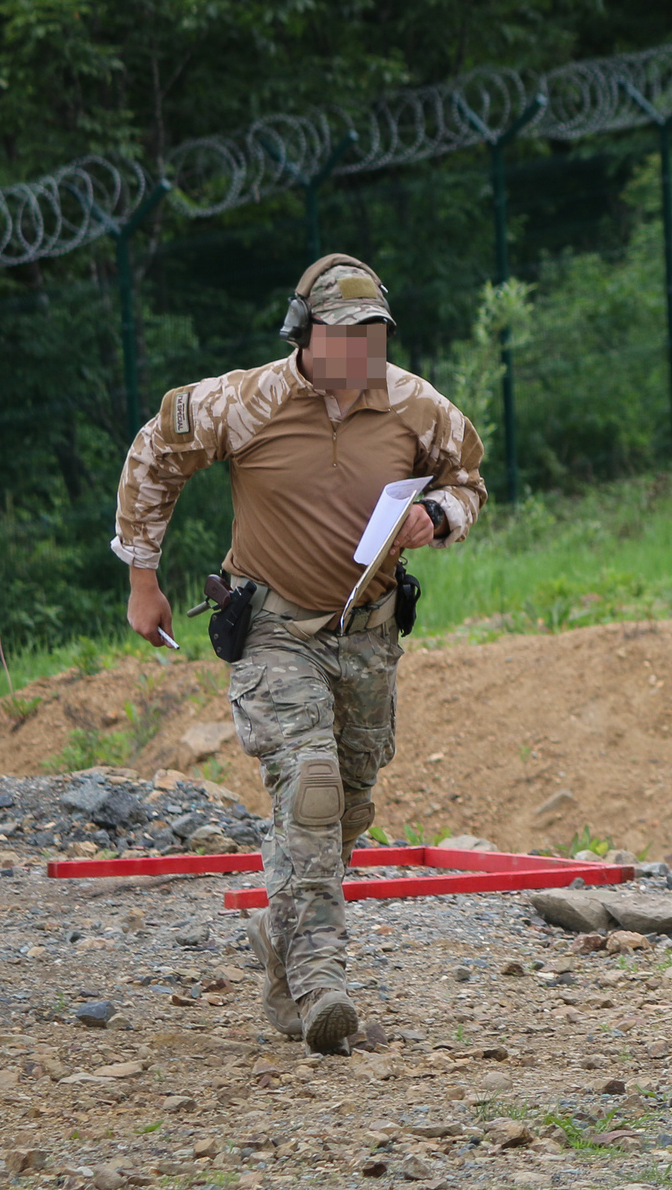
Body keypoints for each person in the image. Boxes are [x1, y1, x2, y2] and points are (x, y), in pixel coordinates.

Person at [112, 254, 487, 1053]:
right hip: (275, 628)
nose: (361, 349)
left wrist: (439, 515)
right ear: (304, 334)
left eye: (374, 333)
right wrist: (143, 580)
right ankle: (321, 981)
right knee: (311, 787)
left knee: (347, 806)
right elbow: (154, 454)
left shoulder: (416, 405)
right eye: (345, 334)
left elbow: (469, 480)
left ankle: (279, 942)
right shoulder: (244, 400)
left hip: (370, 633)